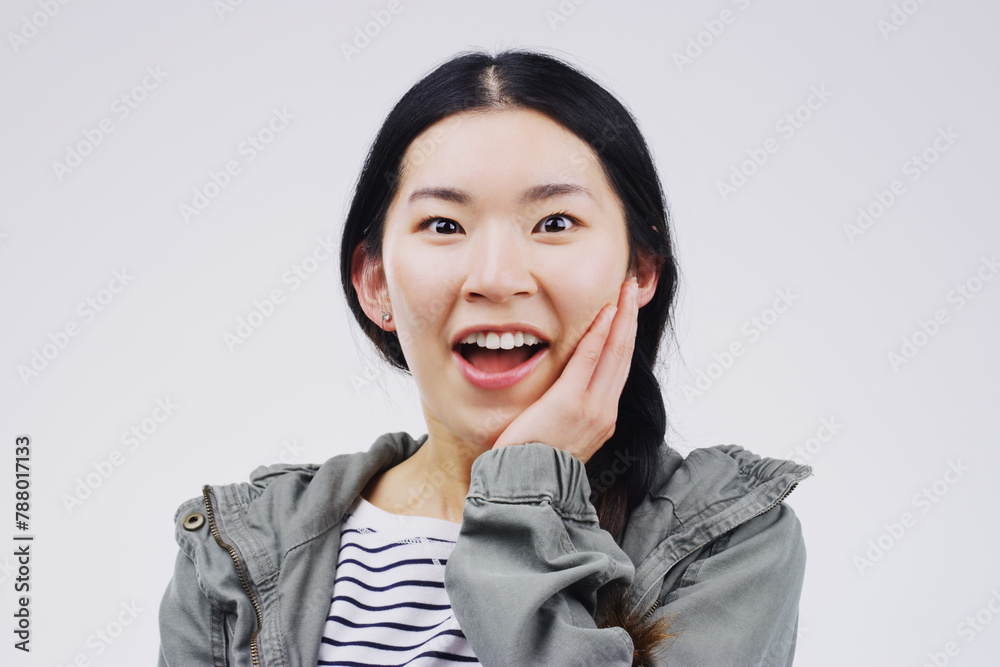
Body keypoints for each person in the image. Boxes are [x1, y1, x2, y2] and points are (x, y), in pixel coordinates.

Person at [158, 49, 811, 666]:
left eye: (555, 222)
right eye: (444, 225)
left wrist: (526, 487)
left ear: (640, 269)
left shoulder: (727, 537)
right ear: (375, 282)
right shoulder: (236, 552)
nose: (496, 278)